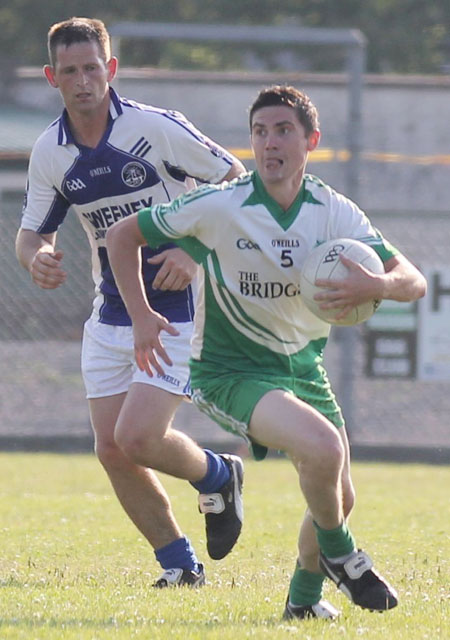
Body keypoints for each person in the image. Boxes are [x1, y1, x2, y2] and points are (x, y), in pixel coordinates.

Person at [105, 85, 427, 619]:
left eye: (283, 131)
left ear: (311, 141)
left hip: (302, 369)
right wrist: (142, 315)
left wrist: (377, 286)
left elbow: (410, 280)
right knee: (323, 450)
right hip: (230, 372)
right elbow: (122, 236)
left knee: (339, 496)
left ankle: (302, 604)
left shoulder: (333, 211)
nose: (269, 142)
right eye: (259, 132)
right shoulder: (222, 203)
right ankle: (344, 557)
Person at [15, 16, 247, 588]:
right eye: (70, 71)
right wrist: (35, 257)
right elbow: (30, 233)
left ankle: (217, 475)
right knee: (113, 451)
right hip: (111, 310)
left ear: (110, 69)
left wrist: (193, 250)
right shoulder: (51, 151)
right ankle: (179, 566)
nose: (83, 80)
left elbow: (235, 178)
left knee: (138, 438)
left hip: (177, 309)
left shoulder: (155, 128)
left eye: (92, 67)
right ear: (52, 77)